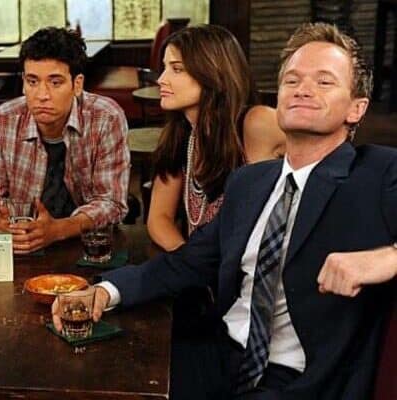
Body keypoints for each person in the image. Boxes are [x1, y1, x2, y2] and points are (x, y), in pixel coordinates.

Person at [53, 23, 396, 399]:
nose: (303, 89)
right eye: (292, 80)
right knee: (86, 376)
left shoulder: (378, 173)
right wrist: (105, 291)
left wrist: (386, 259)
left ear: (356, 108)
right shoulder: (250, 182)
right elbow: (187, 262)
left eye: (324, 81)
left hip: (300, 381)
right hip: (218, 354)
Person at [0, 27, 130, 254]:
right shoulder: (1, 122)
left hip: (88, 244)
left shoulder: (106, 118)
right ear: (23, 82)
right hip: (23, 246)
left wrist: (58, 230)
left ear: (77, 84)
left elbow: (111, 202)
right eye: (33, 82)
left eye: (55, 83)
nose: (42, 95)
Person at [148, 24, 285, 252]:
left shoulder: (256, 122)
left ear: (212, 72)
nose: (161, 79)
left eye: (177, 69)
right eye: (164, 68)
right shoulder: (180, 134)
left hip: (250, 266)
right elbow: (159, 217)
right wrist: (190, 259)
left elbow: (326, 154)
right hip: (201, 266)